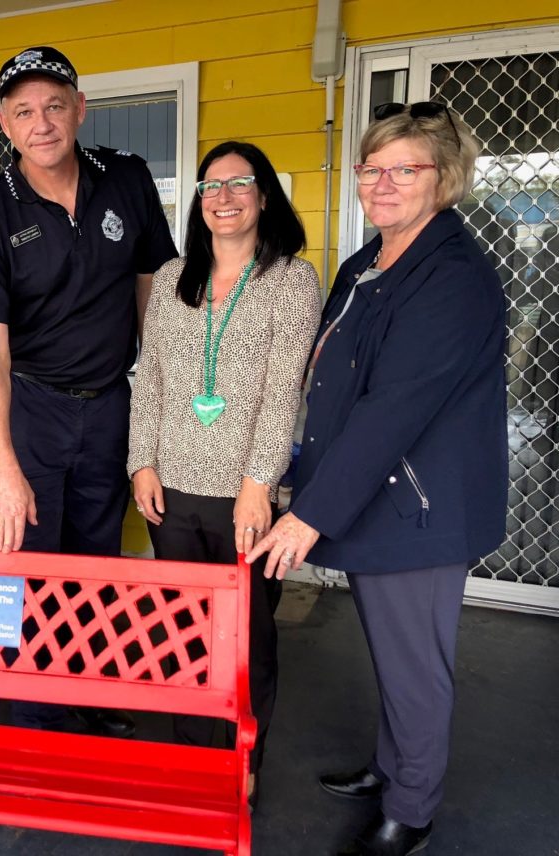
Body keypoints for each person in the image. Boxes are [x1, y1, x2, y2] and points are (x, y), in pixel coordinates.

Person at [247, 102, 506, 855]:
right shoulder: (372, 261)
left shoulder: (452, 277)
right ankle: (394, 768)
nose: (382, 183)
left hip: (420, 511)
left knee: (416, 667)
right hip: (376, 503)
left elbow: (394, 410)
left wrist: (307, 513)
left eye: (404, 168)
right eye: (371, 167)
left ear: (443, 178)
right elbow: (334, 376)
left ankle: (412, 809)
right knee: (394, 657)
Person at [0, 46, 178, 734]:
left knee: (94, 564)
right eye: (24, 111)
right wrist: (5, 469)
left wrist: (160, 411)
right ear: (5, 124)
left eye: (54, 105)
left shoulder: (128, 180)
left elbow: (155, 295)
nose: (42, 122)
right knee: (29, 567)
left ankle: (90, 694)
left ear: (81, 109)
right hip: (34, 411)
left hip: (112, 404)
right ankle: (38, 723)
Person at [128, 140, 322, 808]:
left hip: (245, 497)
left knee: (247, 637)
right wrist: (142, 462)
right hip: (172, 489)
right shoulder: (174, 277)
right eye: (212, 187)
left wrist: (257, 484)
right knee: (181, 630)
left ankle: (242, 766)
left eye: (241, 184)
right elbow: (149, 378)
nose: (226, 198)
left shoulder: (291, 281)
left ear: (264, 196)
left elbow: (282, 392)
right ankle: (191, 759)